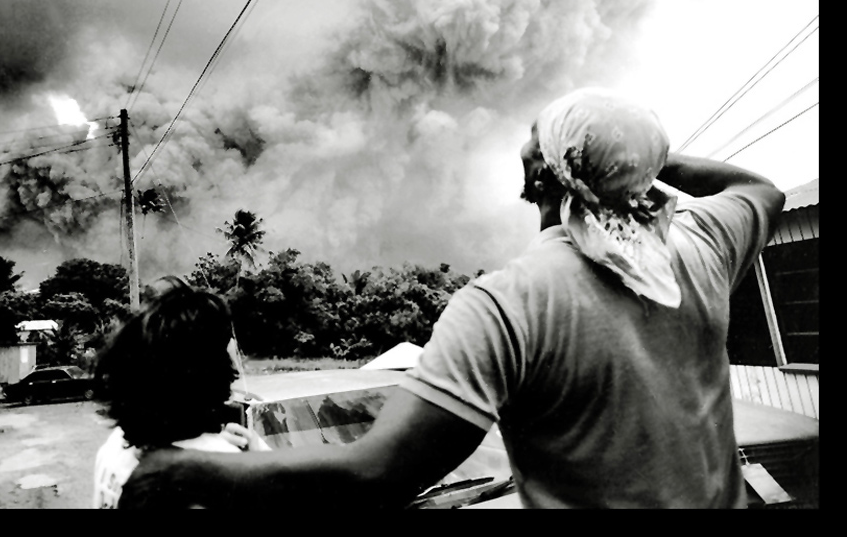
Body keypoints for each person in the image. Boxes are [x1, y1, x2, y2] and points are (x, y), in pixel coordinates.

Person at [117, 88, 785, 509]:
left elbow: (376, 475)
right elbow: (762, 190)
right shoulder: (700, 247)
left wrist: (183, 473)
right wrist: (635, 150)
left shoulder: (506, 305)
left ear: (537, 177)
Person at [92, 275, 268, 509]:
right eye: (226, 342)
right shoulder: (227, 476)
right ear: (211, 369)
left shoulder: (115, 446)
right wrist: (258, 461)